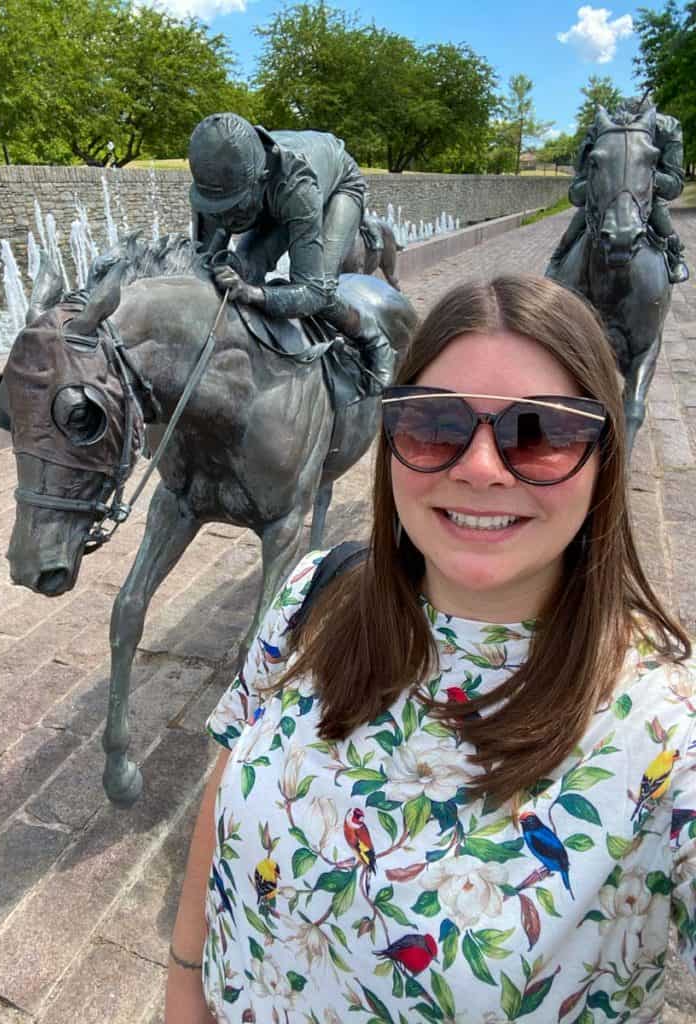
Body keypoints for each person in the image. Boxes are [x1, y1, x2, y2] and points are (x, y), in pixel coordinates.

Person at [165, 274, 695, 1023]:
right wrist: (185, 983)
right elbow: (223, 789)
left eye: (539, 433)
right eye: (435, 427)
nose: (479, 467)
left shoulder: (669, 731)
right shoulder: (318, 590)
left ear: (605, 457)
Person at [188, 112, 395, 391]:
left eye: (234, 206)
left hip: (338, 185)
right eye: (218, 209)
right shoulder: (216, 182)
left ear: (260, 179)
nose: (225, 220)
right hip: (271, 195)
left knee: (323, 288)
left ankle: (375, 341)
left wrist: (254, 293)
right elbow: (200, 265)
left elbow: (311, 291)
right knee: (242, 267)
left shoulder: (298, 188)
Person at [547, 96, 689, 283]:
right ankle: (558, 258)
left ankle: (674, 254)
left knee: (659, 213)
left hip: (647, 192)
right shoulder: (600, 130)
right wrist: (600, 180)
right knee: (583, 215)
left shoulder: (667, 128)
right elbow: (576, 191)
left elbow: (674, 185)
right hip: (605, 191)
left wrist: (642, 175)